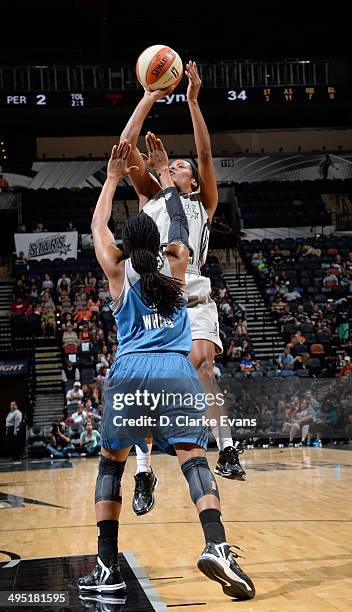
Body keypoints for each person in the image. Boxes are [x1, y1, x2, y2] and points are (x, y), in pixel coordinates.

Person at [77, 140, 255, 601]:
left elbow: (97, 225)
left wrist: (114, 177)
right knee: (193, 460)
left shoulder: (117, 270)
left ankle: (107, 565)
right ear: (159, 244)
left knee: (110, 466)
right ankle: (217, 545)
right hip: (176, 371)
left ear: (127, 243)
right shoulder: (177, 263)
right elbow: (178, 223)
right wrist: (163, 176)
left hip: (130, 372)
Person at [121, 61, 246, 515]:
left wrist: (192, 100)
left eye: (181, 165)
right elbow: (126, 145)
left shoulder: (202, 203)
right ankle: (143, 470)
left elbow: (207, 154)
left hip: (192, 298)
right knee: (146, 390)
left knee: (203, 364)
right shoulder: (151, 196)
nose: (175, 165)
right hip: (152, 298)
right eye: (170, 164)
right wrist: (151, 94)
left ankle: (226, 445)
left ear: (191, 179)